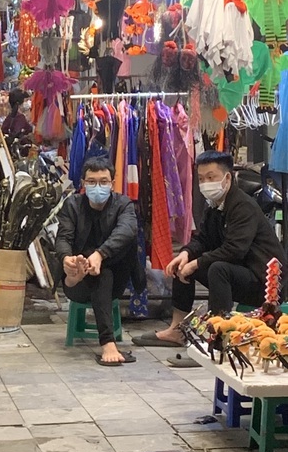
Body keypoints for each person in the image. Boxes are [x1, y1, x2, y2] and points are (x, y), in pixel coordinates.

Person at [133, 151, 287, 354]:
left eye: (211, 177)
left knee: (217, 269)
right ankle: (177, 330)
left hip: (265, 284)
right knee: (184, 266)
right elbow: (203, 240)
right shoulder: (214, 206)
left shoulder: (243, 207)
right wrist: (186, 254)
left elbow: (234, 250)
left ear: (227, 178)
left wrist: (196, 263)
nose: (206, 183)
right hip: (241, 272)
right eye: (202, 178)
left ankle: (218, 339)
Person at [55, 156, 138, 365]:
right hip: (78, 283)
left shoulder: (123, 204)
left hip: (114, 277)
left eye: (103, 181)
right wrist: (67, 259)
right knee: (90, 271)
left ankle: (107, 341)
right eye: (91, 181)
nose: (97, 186)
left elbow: (127, 231)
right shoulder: (72, 205)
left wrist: (100, 255)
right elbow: (63, 237)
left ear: (112, 183)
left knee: (103, 273)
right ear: (83, 183)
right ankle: (107, 343)